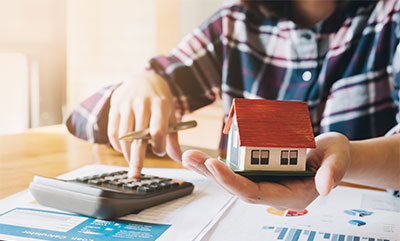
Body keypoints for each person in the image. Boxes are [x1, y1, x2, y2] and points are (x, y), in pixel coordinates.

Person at [67, 0, 400, 211]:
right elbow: (82, 116)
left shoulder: (391, 17)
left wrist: (352, 157)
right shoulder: (233, 25)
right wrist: (143, 83)